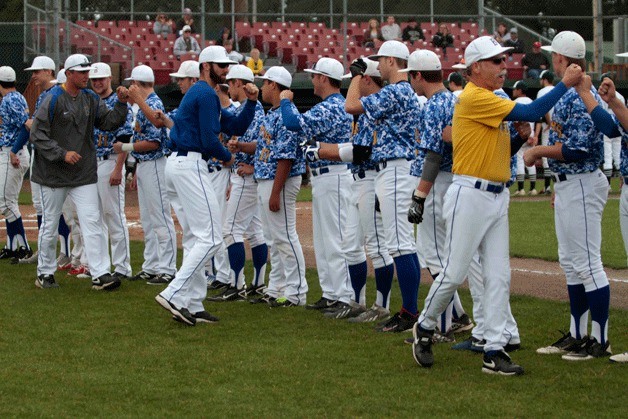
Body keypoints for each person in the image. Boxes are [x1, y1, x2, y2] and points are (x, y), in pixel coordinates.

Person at [411, 36, 583, 375]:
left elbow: (501, 153)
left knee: (499, 276)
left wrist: (518, 136)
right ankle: (426, 325)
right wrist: (565, 84)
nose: (503, 67)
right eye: (496, 62)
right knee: (455, 272)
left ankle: (493, 348)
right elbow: (533, 110)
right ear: (476, 68)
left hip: (495, 193)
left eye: (504, 61)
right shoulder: (475, 96)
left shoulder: (489, 99)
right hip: (469, 194)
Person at [152, 46, 258, 325]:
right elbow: (212, 140)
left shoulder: (203, 94)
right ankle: (174, 293)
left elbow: (234, 124)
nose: (225, 69)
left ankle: (193, 304)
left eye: (226, 65)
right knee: (211, 237)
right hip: (191, 165)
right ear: (205, 66)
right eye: (220, 65)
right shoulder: (205, 93)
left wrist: (252, 103)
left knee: (195, 237)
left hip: (179, 164)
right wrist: (228, 157)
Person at [528, 33, 614, 360]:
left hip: (582, 181)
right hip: (567, 184)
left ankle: (600, 339)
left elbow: (577, 150)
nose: (552, 59)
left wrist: (538, 150)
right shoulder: (567, 93)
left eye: (554, 55)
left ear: (560, 58)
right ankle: (578, 334)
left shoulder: (581, 96)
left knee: (588, 263)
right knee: (572, 262)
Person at [30, 54, 130, 290]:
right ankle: (44, 273)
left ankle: (101, 273)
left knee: (92, 221)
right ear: (69, 73)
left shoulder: (90, 98)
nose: (87, 76)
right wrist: (61, 153)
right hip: (53, 173)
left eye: (88, 71)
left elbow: (108, 122)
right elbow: (37, 134)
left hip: (82, 172)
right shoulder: (52, 98)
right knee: (51, 224)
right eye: (82, 72)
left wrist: (122, 103)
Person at [308, 57, 395, 323]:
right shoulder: (364, 111)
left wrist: (323, 150)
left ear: (367, 79)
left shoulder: (377, 109)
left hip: (376, 177)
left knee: (379, 246)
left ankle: (382, 306)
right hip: (358, 178)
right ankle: (356, 302)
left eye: (358, 79)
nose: (355, 85)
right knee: (351, 247)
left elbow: (362, 149)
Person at [344, 41, 422, 332]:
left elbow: (350, 106)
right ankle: (409, 310)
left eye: (381, 60)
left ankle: (409, 311)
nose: (379, 64)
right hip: (395, 168)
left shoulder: (396, 91)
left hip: (396, 168)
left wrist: (355, 77)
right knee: (401, 244)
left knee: (400, 245)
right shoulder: (403, 91)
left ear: (392, 60)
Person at [280, 57, 357, 317]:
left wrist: (285, 101)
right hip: (325, 176)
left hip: (334, 175)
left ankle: (343, 297)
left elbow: (293, 124)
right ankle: (330, 294)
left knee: (333, 239)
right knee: (324, 241)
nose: (312, 79)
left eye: (315, 75)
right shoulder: (330, 105)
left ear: (324, 78)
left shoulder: (333, 106)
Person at [228, 66, 309, 307]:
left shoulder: (286, 114)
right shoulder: (273, 112)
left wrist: (275, 191)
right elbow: (266, 147)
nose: (262, 87)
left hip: (279, 181)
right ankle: (275, 289)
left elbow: (285, 157)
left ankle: (296, 292)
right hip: (267, 178)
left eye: (265, 83)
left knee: (285, 237)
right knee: (275, 239)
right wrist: (242, 147)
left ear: (274, 85)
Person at [207, 65, 268, 301]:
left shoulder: (254, 109)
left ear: (238, 84)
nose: (228, 88)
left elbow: (264, 143)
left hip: (248, 176)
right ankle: (257, 283)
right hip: (242, 174)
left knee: (230, 231)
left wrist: (251, 162)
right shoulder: (245, 108)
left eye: (230, 83)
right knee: (254, 232)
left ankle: (236, 284)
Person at [113, 65, 177, 286]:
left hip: (157, 164)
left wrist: (126, 147)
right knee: (149, 220)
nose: (130, 88)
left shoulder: (152, 104)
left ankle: (168, 268)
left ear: (138, 84)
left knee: (160, 217)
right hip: (147, 164)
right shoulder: (143, 105)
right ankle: (151, 266)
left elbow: (154, 142)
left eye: (132, 84)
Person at [21, 57, 72, 266]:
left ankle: (65, 251)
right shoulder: (44, 95)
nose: (33, 75)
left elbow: (43, 127)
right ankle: (46, 252)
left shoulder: (53, 95)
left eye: (37, 71)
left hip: (51, 155)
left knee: (57, 208)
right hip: (40, 154)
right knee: (41, 206)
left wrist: (28, 122)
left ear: (49, 72)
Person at [88, 62, 133, 280]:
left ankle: (122, 267)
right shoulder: (91, 100)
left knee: (113, 215)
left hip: (110, 161)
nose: (97, 83)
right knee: (95, 217)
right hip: (92, 163)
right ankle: (101, 267)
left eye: (101, 79)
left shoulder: (119, 101)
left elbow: (125, 138)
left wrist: (118, 168)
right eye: (94, 79)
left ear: (109, 79)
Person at [0, 66, 33, 262]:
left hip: (13, 153)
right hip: (15, 152)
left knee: (5, 202)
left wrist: (13, 151)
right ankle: (12, 246)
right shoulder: (17, 96)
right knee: (8, 201)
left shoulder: (9, 100)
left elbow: (26, 126)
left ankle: (23, 247)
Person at [511, 81, 539, 196]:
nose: (513, 91)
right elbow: (539, 120)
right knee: (531, 163)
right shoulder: (531, 102)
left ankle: (521, 189)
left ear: (519, 90)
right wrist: (535, 135)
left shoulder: (515, 102)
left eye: (515, 89)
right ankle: (533, 188)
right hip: (531, 135)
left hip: (521, 136)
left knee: (519, 161)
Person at [598, 72, 625, 186]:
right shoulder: (620, 96)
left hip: (607, 126)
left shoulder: (601, 95)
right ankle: (622, 182)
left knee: (608, 156)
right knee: (618, 155)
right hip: (619, 127)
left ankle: (608, 185)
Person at [534, 70, 556, 194]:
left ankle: (547, 186)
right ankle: (554, 185)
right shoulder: (559, 89)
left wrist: (549, 123)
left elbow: (544, 108)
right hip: (560, 126)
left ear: (544, 80)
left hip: (549, 127)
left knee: (546, 156)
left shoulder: (541, 91)